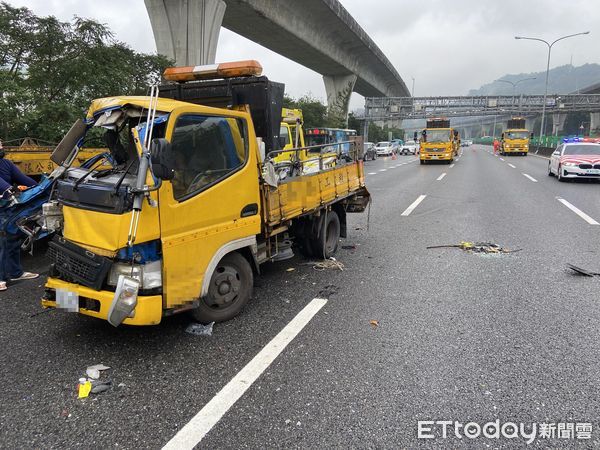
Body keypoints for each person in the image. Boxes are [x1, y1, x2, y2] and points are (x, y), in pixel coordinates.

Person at [0, 140, 39, 291]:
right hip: (2, 205)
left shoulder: (6, 164)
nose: (2, 147)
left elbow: (25, 180)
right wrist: (9, 189)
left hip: (7, 207)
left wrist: (41, 186)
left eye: (1, 144)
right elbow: (3, 185)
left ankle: (15, 272)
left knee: (13, 238)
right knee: (3, 241)